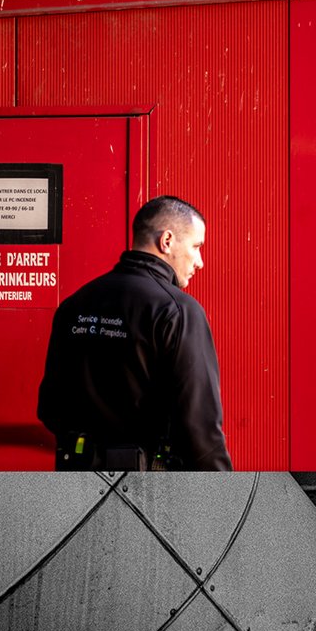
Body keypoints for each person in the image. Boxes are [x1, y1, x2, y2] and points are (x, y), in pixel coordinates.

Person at [38, 195, 232, 471]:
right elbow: (200, 430)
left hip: (78, 478)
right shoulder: (177, 311)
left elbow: (50, 408)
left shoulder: (74, 304)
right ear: (167, 241)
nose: (199, 261)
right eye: (196, 246)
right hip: (149, 489)